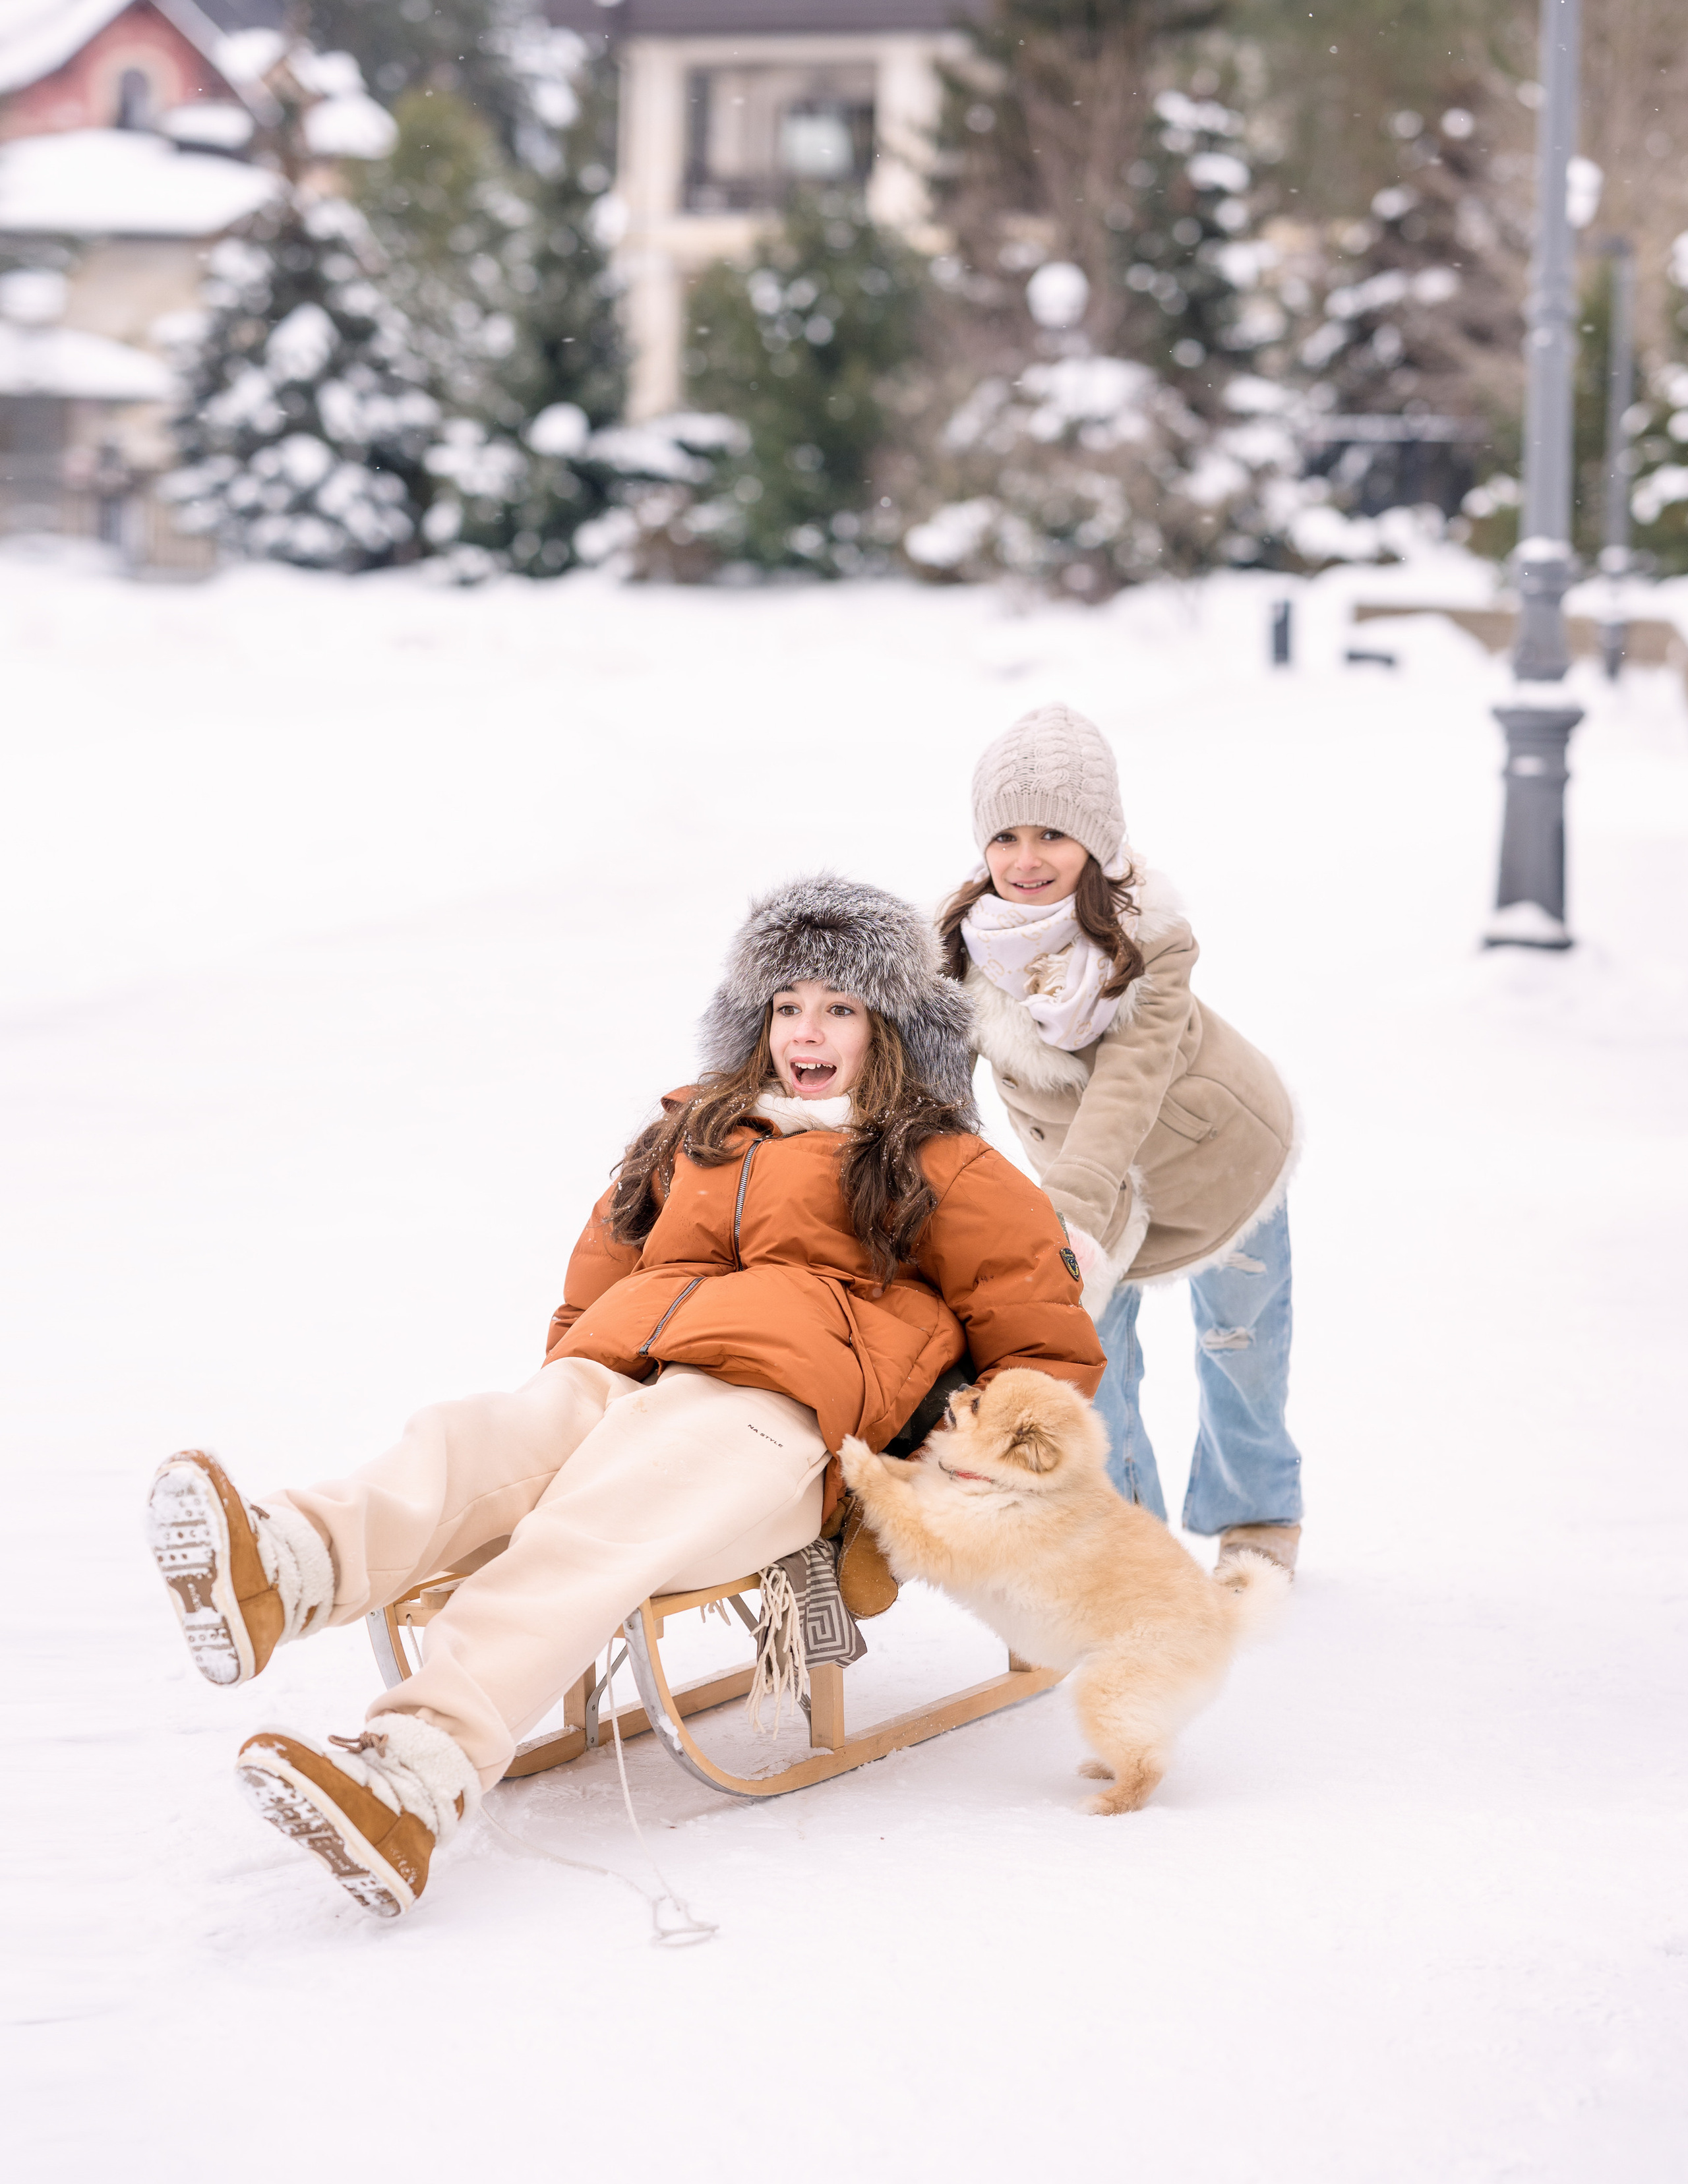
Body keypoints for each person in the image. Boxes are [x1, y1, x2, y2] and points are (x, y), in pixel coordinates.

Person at [146, 877, 1104, 1917]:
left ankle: (418, 1773)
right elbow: (594, 1284)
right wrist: (569, 1379)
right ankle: (284, 1569)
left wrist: (931, 1498)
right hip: (625, 1373)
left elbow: (1043, 1352)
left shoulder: (937, 1161)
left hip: (775, 1421)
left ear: (891, 1027)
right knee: (476, 1437)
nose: (807, 1032)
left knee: (590, 1530)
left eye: (839, 1007)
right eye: (786, 1006)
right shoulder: (693, 1132)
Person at [940, 702, 1303, 1572]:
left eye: (1055, 836)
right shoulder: (964, 949)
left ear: (1097, 843)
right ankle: (1130, 1542)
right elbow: (932, 1085)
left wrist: (1067, 1219)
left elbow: (1125, 1090)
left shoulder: (1153, 944)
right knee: (1101, 1363)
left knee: (1238, 1348)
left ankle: (1257, 1513)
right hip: (1090, 1190)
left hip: (1216, 1161)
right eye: (1006, 837)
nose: (1025, 861)